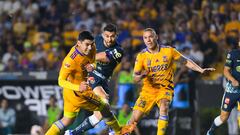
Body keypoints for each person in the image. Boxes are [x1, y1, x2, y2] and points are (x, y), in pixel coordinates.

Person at [125, 28, 215, 135]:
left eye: (150, 37)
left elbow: (185, 61)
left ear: (156, 37)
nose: (148, 40)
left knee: (164, 106)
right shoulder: (141, 56)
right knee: (134, 120)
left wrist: (201, 70)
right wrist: (141, 76)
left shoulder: (169, 51)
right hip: (147, 92)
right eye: (145, 38)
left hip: (164, 89)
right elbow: (134, 78)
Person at [45, 31, 134, 135]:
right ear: (79, 43)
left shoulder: (92, 47)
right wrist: (78, 87)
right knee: (104, 107)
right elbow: (60, 81)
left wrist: (92, 66)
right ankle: (119, 131)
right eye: (87, 44)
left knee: (67, 120)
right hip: (78, 93)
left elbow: (93, 62)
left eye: (91, 44)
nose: (90, 47)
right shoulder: (70, 61)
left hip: (70, 92)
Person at [65, 23, 124, 135]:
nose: (109, 39)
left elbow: (105, 57)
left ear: (116, 36)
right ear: (103, 35)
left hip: (104, 80)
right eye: (107, 36)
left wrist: (88, 56)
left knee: (100, 113)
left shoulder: (119, 50)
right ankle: (113, 130)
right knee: (104, 98)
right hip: (92, 76)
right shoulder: (95, 40)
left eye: (112, 36)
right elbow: (80, 48)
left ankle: (73, 133)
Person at [206, 42, 240, 135]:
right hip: (232, 89)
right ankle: (210, 131)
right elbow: (226, 71)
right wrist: (233, 80)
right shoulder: (233, 54)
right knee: (224, 117)